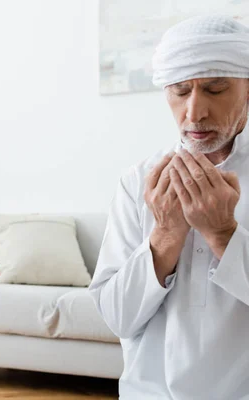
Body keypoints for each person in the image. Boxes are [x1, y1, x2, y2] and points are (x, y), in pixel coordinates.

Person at [90, 16, 249, 399]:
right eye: (180, 91)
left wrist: (223, 234)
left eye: (214, 89)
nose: (194, 113)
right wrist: (165, 235)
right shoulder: (139, 181)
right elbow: (117, 317)